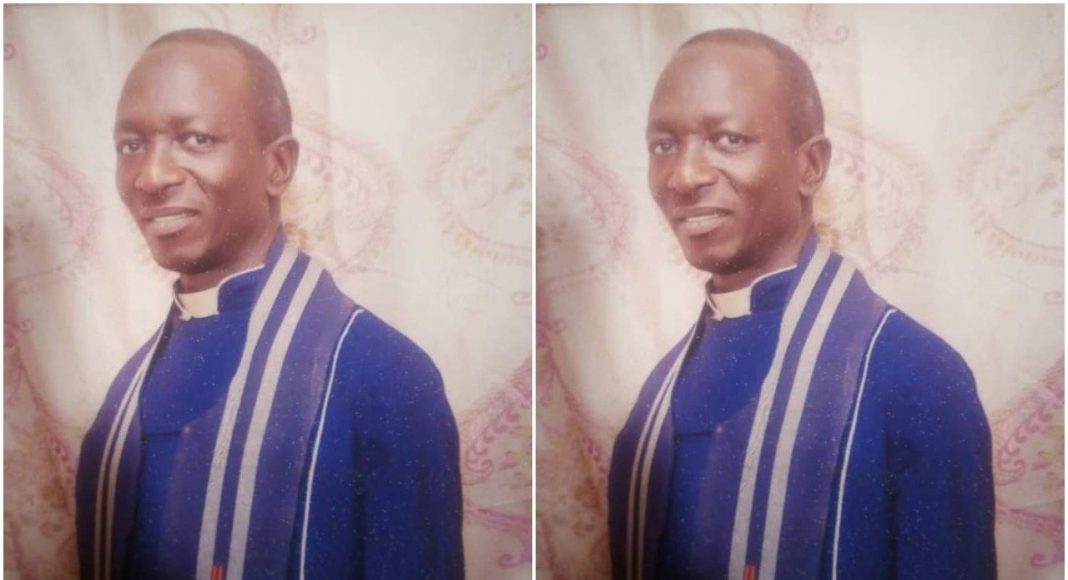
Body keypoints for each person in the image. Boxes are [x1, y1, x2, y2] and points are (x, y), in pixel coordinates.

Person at [75, 29, 464, 580]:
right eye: (131, 146)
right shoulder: (127, 391)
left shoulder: (385, 376)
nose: (151, 176)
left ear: (278, 165)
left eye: (196, 139)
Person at [608, 29, 996, 580]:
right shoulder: (659, 392)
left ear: (810, 165)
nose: (684, 176)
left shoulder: (917, 376)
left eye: (729, 139)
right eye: (664, 146)